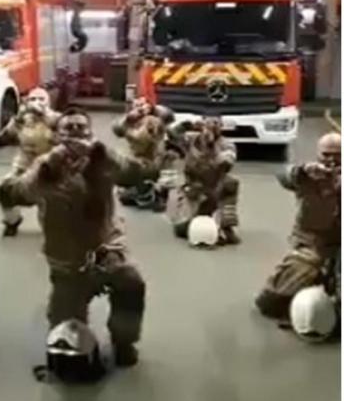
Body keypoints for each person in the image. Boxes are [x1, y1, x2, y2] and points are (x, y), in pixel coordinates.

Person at [0, 108, 153, 367]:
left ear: (91, 135)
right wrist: (47, 169)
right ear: (56, 137)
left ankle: (124, 341)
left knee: (131, 283)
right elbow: (12, 194)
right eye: (68, 129)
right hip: (68, 261)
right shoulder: (46, 166)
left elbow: (138, 174)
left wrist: (106, 156)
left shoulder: (103, 160)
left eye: (81, 128)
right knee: (64, 331)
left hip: (107, 250)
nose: (75, 133)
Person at [255, 132, 341, 322]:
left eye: (338, 154)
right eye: (327, 154)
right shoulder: (308, 176)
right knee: (272, 301)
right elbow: (283, 175)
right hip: (311, 242)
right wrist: (302, 171)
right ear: (318, 154)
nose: (332, 160)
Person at [167, 117, 241, 245]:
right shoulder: (191, 140)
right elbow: (171, 132)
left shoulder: (226, 144)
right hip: (193, 189)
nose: (211, 126)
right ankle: (196, 219)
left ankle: (226, 226)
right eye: (208, 123)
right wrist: (187, 124)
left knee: (230, 183)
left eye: (216, 124)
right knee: (182, 229)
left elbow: (227, 161)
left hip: (214, 188)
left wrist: (212, 146)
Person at [0, 87, 60, 236]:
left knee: (48, 210)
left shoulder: (57, 119)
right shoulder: (22, 119)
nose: (36, 102)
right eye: (32, 99)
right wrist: (17, 118)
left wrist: (45, 116)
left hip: (49, 169)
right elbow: (3, 137)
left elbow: (66, 139)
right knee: (5, 189)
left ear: (48, 102)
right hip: (23, 167)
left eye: (41, 99)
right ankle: (12, 221)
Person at [111, 98, 175, 211]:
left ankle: (151, 193)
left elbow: (169, 116)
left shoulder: (155, 119)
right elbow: (116, 129)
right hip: (140, 162)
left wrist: (153, 108)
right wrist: (129, 118)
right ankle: (141, 191)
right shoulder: (132, 120)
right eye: (136, 106)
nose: (139, 108)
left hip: (153, 163)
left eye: (142, 105)